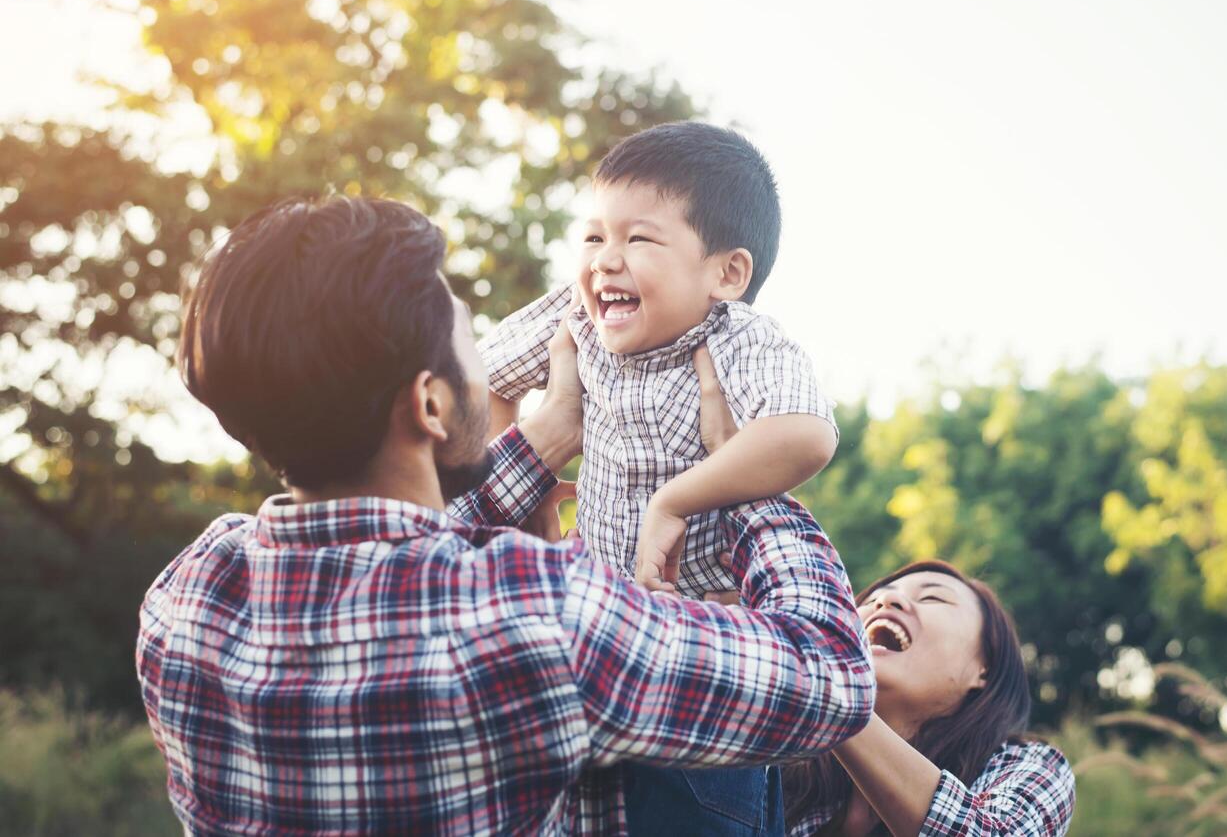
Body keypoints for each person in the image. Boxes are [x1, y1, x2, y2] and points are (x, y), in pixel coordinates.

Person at [136, 195, 874, 835]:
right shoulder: (530, 610)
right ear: (430, 403)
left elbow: (387, 547)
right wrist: (739, 482)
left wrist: (544, 437)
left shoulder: (189, 594)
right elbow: (832, 679)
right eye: (468, 343)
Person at [478, 121, 839, 598]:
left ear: (728, 274)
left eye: (639, 240)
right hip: (589, 593)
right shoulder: (577, 316)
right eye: (593, 238)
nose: (605, 261)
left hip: (695, 609)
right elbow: (484, 379)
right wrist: (527, 497)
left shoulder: (740, 339)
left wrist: (674, 501)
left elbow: (807, 435)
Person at [783, 560, 1076, 836]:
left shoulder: (1032, 765)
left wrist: (838, 704)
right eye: (872, 600)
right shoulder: (778, 764)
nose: (886, 602)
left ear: (983, 668)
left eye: (933, 598)